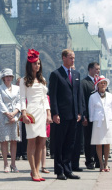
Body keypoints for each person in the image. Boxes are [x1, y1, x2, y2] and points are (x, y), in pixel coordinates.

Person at [49, 49, 82, 180]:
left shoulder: (76, 74)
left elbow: (78, 95)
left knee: (70, 144)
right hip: (61, 115)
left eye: (74, 58)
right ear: (63, 58)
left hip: (73, 115)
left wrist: (79, 112)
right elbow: (53, 95)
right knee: (59, 143)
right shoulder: (56, 74)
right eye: (70, 57)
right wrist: (55, 113)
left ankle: (68, 169)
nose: (73, 60)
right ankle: (59, 170)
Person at [20, 49, 52, 182]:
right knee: (32, 141)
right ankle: (33, 171)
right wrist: (23, 114)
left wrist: (48, 114)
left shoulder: (42, 79)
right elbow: (22, 98)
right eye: (35, 64)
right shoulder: (24, 80)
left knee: (41, 142)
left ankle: (37, 170)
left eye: (38, 63)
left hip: (42, 112)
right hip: (31, 111)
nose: (37, 66)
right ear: (29, 65)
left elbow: (45, 98)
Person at [89, 75, 112, 172]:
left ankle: (106, 164)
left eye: (105, 83)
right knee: (99, 143)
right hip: (98, 122)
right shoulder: (93, 96)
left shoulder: (110, 96)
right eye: (102, 83)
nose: (103, 85)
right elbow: (91, 109)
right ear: (98, 85)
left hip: (108, 121)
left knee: (107, 143)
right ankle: (100, 163)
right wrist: (91, 119)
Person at [0, 68, 21, 173]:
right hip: (3, 115)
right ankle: (6, 164)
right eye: (7, 76)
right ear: (3, 78)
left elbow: (19, 100)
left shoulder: (17, 88)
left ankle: (13, 164)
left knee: (14, 140)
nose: (9, 78)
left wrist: (14, 113)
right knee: (4, 140)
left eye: (10, 76)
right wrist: (7, 113)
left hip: (15, 115)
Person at [81, 62, 100, 169]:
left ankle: (98, 159)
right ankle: (89, 160)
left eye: (99, 69)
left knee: (99, 139)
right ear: (90, 69)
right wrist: (84, 115)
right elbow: (82, 100)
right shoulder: (84, 82)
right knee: (88, 139)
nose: (98, 71)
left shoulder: (101, 82)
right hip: (89, 116)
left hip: (99, 117)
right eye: (96, 69)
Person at [16, 78, 27, 161]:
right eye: (19, 83)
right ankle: (17, 153)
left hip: (24, 115)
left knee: (24, 134)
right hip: (16, 115)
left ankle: (24, 153)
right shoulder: (14, 91)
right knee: (17, 134)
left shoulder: (26, 92)